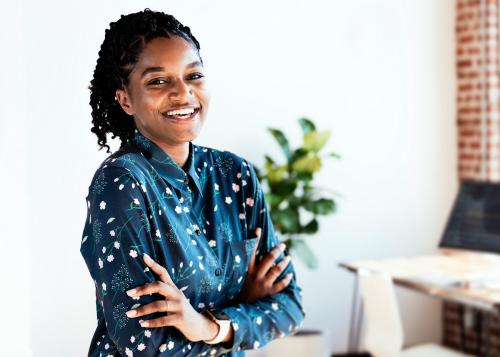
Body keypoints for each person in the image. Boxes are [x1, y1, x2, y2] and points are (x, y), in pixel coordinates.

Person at [80, 8, 305, 357]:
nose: (183, 93)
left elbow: (290, 306)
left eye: (194, 75)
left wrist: (207, 325)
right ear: (125, 99)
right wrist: (240, 314)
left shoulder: (237, 176)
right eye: (158, 81)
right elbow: (142, 344)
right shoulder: (121, 183)